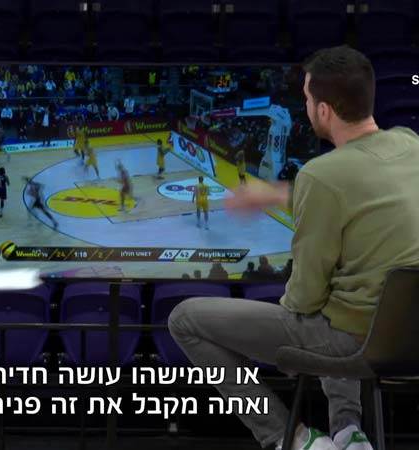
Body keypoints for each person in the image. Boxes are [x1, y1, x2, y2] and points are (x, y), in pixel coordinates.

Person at [169, 45, 419, 450]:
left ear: (323, 110)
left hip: (355, 342)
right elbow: (361, 189)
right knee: (338, 296)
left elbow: (304, 297)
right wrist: (281, 193)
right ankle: (348, 432)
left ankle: (293, 439)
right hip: (409, 334)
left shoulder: (321, 175)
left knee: (184, 319)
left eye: (306, 98)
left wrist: (289, 331)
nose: (304, 107)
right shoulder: (410, 144)